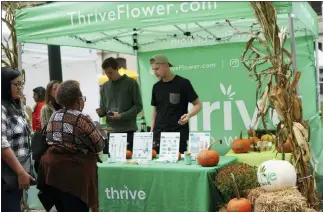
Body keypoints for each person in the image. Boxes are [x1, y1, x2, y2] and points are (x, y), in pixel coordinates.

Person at [37, 80, 105, 212]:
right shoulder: (81, 118)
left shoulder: (54, 116)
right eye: (83, 98)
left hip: (53, 175)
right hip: (74, 177)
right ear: (79, 100)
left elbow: (49, 139)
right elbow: (99, 145)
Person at [150, 55, 202, 153]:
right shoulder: (156, 87)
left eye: (157, 69)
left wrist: (189, 115)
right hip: (158, 135)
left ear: (166, 66)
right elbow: (155, 110)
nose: (155, 72)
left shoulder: (183, 83)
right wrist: (152, 131)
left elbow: (198, 105)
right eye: (153, 69)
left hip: (177, 135)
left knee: (178, 165)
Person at [1, 67, 35, 212]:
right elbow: (2, 143)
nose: (20, 88)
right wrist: (20, 172)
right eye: (16, 84)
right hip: (6, 175)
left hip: (16, 174)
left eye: (21, 84)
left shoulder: (15, 106)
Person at [96, 57, 143, 151]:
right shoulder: (104, 87)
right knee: (114, 162)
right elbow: (104, 108)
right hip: (111, 131)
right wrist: (101, 112)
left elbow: (138, 106)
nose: (108, 75)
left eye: (110, 72)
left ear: (117, 69)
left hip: (128, 130)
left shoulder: (131, 83)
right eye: (106, 73)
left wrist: (121, 116)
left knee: (129, 161)